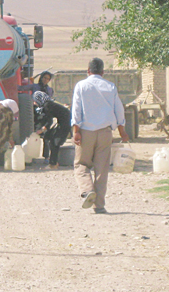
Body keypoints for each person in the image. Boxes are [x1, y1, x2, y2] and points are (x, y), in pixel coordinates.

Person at [71, 58, 128, 214]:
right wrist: (122, 131)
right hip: (105, 132)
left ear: (88, 71)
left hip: (86, 132)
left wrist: (76, 130)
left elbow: (76, 110)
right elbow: (119, 110)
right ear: (103, 72)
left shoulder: (81, 86)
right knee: (101, 169)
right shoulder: (110, 86)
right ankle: (100, 205)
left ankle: (87, 190)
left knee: (81, 165)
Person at [33, 91, 72, 169]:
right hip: (63, 122)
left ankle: (53, 164)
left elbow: (49, 120)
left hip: (65, 123)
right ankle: (53, 162)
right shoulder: (49, 104)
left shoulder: (47, 105)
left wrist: (42, 130)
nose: (35, 102)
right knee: (49, 137)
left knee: (54, 142)